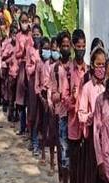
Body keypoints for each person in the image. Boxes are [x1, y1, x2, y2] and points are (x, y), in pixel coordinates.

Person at [77, 45, 107, 183]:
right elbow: (81, 114)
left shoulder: (108, 89)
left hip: (107, 145)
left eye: (103, 65)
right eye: (98, 64)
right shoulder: (88, 88)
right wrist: (92, 116)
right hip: (91, 144)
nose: (101, 69)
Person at [65, 29, 87, 183]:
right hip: (73, 126)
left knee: (86, 169)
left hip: (86, 127)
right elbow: (64, 99)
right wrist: (73, 100)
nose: (81, 49)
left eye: (83, 46)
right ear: (73, 46)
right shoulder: (67, 71)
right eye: (78, 46)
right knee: (74, 168)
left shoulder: (89, 71)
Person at [49, 30, 72, 183]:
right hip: (63, 114)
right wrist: (64, 96)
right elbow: (53, 94)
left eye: (67, 45)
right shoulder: (55, 69)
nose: (65, 48)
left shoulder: (75, 67)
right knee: (64, 153)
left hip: (76, 116)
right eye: (63, 45)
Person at [41, 37, 60, 173]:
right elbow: (48, 85)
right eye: (53, 50)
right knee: (51, 134)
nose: (55, 52)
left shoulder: (64, 66)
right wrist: (49, 102)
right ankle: (52, 162)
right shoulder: (48, 66)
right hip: (51, 102)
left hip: (62, 105)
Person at [14, 12, 33, 136]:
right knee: (21, 99)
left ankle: (30, 128)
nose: (25, 23)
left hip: (32, 67)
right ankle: (22, 126)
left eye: (26, 21)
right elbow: (16, 54)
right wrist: (23, 50)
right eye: (23, 21)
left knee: (31, 99)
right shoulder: (18, 36)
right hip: (22, 66)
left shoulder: (32, 35)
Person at [26, 24, 42, 154]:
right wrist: (35, 67)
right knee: (33, 113)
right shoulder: (30, 50)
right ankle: (33, 139)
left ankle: (41, 140)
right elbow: (28, 68)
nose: (36, 37)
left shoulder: (44, 48)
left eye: (38, 35)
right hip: (32, 83)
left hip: (43, 84)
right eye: (34, 35)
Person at [1, 23, 19, 123]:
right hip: (11, 74)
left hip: (19, 74)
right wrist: (10, 58)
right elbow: (3, 57)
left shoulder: (20, 45)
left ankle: (17, 115)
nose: (14, 35)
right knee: (11, 96)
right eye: (13, 33)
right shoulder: (8, 45)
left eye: (16, 33)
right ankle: (10, 114)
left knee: (18, 96)